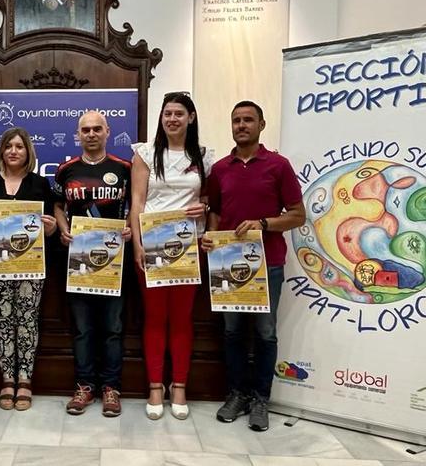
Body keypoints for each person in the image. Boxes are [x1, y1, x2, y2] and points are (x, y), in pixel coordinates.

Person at [202, 100, 305, 432]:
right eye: (236, 120)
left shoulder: (279, 165)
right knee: (232, 332)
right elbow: (215, 212)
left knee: (264, 333)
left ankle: (262, 398)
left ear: (261, 124)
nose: (241, 125)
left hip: (268, 264)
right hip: (227, 263)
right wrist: (211, 236)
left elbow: (298, 215)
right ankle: (237, 394)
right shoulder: (219, 169)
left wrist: (265, 223)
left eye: (248, 120)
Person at [129, 92, 214, 420]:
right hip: (151, 245)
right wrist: (136, 244)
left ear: (191, 118)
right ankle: (154, 386)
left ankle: (178, 385)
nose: (173, 119)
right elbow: (137, 202)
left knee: (181, 319)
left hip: (188, 247)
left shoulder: (204, 156)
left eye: (179, 113)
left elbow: (210, 200)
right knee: (154, 317)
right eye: (168, 113)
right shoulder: (146, 153)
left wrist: (204, 207)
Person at [53, 110, 132, 417]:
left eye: (97, 128)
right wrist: (63, 228)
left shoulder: (124, 168)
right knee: (83, 329)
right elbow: (58, 206)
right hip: (79, 262)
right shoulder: (66, 170)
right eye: (85, 129)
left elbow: (135, 206)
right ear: (78, 134)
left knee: (112, 328)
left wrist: (129, 227)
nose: (91, 134)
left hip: (115, 261)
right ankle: (85, 386)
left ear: (107, 131)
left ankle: (111, 388)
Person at [0, 127, 57, 411]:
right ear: (1, 151)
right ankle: (7, 379)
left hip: (30, 267)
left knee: (27, 321)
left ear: (28, 152)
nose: (13, 151)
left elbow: (51, 229)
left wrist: (51, 228)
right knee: (3, 322)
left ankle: (25, 380)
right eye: (9, 146)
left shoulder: (39, 185)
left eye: (19, 146)